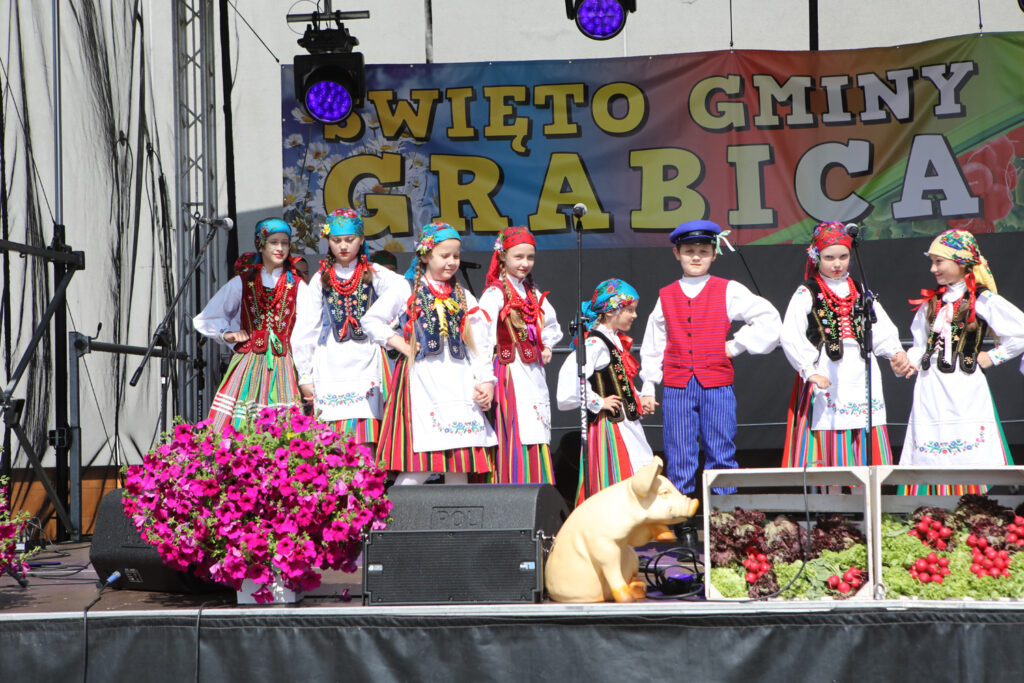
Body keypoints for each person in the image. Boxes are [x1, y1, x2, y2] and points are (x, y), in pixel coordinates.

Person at [639, 219, 781, 495]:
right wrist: (648, 385)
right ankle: (682, 514)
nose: (696, 257)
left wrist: (736, 346)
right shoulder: (666, 295)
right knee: (679, 451)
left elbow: (769, 318)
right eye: (689, 251)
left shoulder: (728, 289)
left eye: (703, 251)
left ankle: (723, 513)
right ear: (677, 253)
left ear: (714, 254)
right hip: (678, 385)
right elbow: (653, 343)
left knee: (721, 448)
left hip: (716, 382)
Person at [362, 222, 497, 485]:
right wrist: (400, 344)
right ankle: (398, 511)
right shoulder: (406, 289)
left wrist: (485, 382)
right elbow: (371, 321)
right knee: (421, 463)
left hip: (459, 383)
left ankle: (458, 512)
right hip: (421, 381)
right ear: (425, 256)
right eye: (444, 255)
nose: (451, 262)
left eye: (455, 256)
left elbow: (479, 344)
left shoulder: (464, 295)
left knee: (458, 463)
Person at [893, 229, 1024, 477]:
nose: (933, 268)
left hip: (964, 385)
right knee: (929, 448)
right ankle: (932, 498)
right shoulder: (931, 302)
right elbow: (921, 344)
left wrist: (992, 356)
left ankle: (971, 497)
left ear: (961, 262)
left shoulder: (981, 299)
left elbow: (1020, 331)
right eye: (932, 262)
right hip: (930, 386)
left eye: (939, 261)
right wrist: (907, 362)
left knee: (967, 446)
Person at [780, 221, 909, 468]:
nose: (837, 263)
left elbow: (880, 327)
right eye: (829, 257)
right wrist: (809, 371)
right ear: (816, 257)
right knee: (832, 434)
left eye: (843, 256)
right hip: (827, 370)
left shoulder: (860, 290)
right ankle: (835, 490)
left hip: (861, 370)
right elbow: (790, 334)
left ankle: (868, 489)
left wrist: (895, 353)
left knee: (867, 428)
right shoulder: (807, 292)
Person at [291, 208, 407, 447]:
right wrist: (305, 375)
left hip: (367, 360)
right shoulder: (321, 278)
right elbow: (306, 328)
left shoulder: (376, 274)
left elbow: (404, 292)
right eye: (336, 240)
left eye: (349, 239)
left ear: (361, 239)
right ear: (328, 242)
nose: (343, 246)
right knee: (331, 438)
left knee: (367, 434)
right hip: (330, 361)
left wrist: (386, 325)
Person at [193, 218, 309, 431]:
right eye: (273, 242)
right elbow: (207, 317)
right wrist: (226, 334)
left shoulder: (298, 286)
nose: (280, 248)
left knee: (283, 425)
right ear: (261, 245)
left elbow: (309, 330)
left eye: (284, 243)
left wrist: (306, 374)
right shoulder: (242, 282)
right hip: (248, 361)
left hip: (283, 362)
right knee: (241, 422)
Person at [478, 226, 563, 484]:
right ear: (503, 256)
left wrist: (547, 346)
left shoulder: (532, 292)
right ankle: (511, 484)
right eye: (518, 257)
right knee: (514, 429)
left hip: (532, 372)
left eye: (530, 257)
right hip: (507, 373)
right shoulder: (494, 293)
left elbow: (551, 325)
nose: (525, 263)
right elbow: (481, 338)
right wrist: (485, 378)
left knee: (536, 427)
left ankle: (537, 488)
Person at [556, 278, 653, 504]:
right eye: (629, 310)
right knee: (618, 473)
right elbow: (573, 379)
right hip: (611, 425)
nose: (634, 315)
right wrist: (598, 401)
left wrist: (638, 399)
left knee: (638, 467)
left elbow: (618, 379)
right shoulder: (595, 343)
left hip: (625, 422)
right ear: (610, 311)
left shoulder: (612, 340)